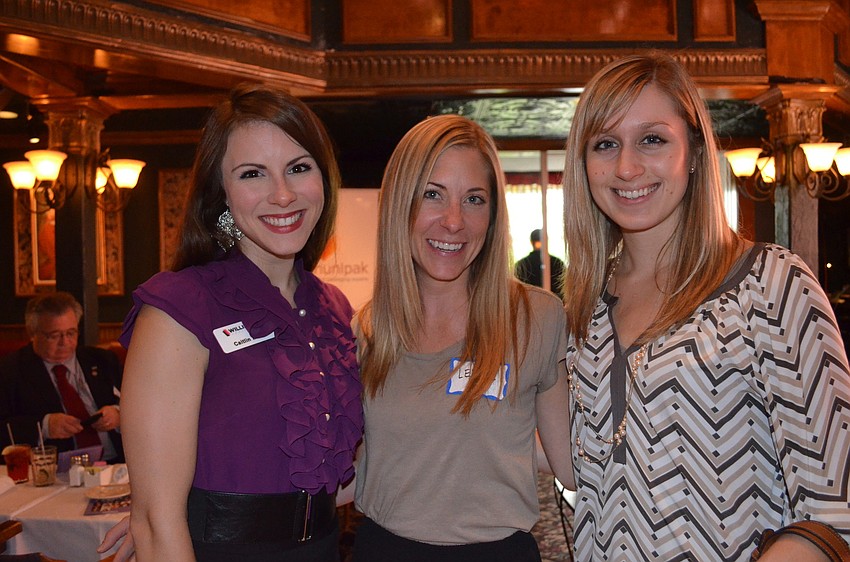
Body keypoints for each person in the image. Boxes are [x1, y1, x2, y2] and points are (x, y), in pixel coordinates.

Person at [562, 53, 850, 561]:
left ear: (694, 150)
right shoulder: (585, 309)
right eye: (605, 144)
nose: (627, 166)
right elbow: (582, 464)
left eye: (652, 139)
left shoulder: (769, 282)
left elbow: (833, 507)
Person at [114, 84, 363, 561]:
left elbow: (344, 473)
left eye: (298, 167)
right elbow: (156, 521)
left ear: (323, 178)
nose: (283, 194)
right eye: (253, 174)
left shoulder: (334, 308)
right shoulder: (179, 308)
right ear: (221, 192)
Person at [351, 114, 573, 561]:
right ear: (400, 205)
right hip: (385, 551)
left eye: (474, 199)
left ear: (493, 216)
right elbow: (356, 469)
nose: (454, 222)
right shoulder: (369, 329)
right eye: (433, 195)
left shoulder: (536, 318)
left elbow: (574, 463)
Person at [0, 292, 123, 462]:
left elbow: (143, 405)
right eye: (55, 335)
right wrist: (44, 427)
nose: (65, 342)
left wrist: (118, 415)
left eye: (71, 333)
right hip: (54, 473)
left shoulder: (103, 360)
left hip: (114, 465)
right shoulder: (10, 371)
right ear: (33, 333)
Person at [514, 228, 565, 298]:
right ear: (546, 241)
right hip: (554, 306)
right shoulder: (557, 263)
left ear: (531, 242)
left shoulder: (521, 265)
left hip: (529, 307)